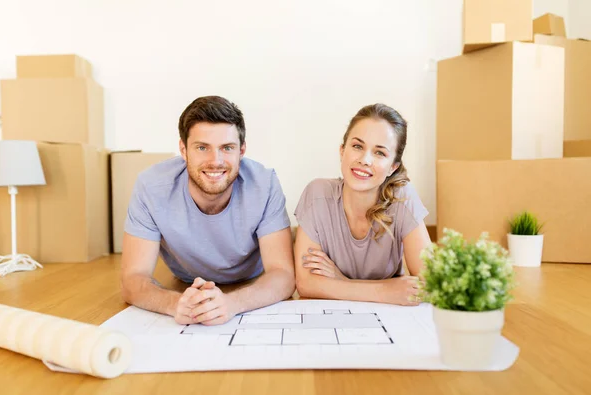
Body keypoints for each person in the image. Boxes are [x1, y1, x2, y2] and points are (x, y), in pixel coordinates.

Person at [121, 96, 295, 325]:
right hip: (185, 280)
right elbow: (133, 278)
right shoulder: (151, 187)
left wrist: (232, 304)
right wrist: (175, 304)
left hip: (249, 281)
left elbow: (283, 275)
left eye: (227, 148)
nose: (215, 161)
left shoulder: (265, 184)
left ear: (241, 150)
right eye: (202, 148)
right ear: (183, 149)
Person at [293, 103, 431, 306]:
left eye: (380, 153)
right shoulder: (317, 195)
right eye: (357, 146)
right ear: (342, 151)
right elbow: (306, 283)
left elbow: (432, 284)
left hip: (389, 320)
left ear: (393, 167)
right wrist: (385, 291)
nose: (365, 160)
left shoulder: (402, 198)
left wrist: (341, 282)